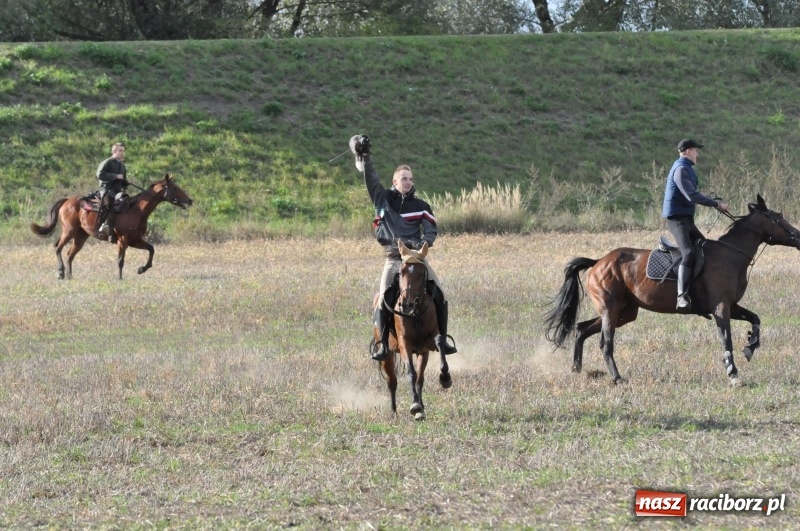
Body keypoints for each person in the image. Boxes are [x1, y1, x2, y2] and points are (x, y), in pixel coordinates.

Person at [351, 134, 457, 361]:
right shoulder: (382, 198)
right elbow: (370, 178)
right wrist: (365, 155)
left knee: (440, 293)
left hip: (416, 259)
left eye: (410, 178)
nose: (408, 182)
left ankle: (443, 339)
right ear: (394, 182)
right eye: (404, 178)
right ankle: (381, 345)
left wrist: (423, 244)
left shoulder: (421, 206)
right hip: (392, 260)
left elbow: (431, 230)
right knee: (381, 299)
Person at [661, 138, 728, 310]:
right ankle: (681, 297)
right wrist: (717, 204)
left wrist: (713, 201)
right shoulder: (681, 169)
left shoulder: (687, 169)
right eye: (696, 151)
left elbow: (693, 193)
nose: (698, 154)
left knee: (704, 248)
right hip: (677, 220)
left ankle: (700, 290)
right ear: (688, 151)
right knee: (689, 253)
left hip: (687, 220)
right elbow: (692, 196)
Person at [95, 142, 128, 240]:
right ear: (114, 151)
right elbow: (99, 175)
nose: (122, 153)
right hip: (106, 189)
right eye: (120, 150)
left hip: (118, 191)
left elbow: (123, 181)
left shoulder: (122, 166)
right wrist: (115, 176)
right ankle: (103, 228)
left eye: (123, 151)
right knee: (108, 204)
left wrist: (125, 184)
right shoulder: (107, 162)